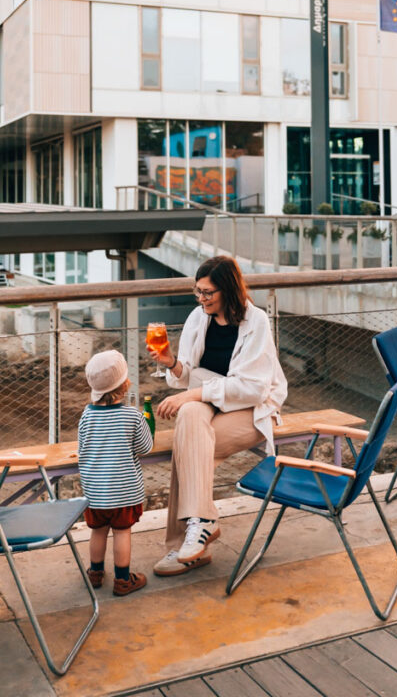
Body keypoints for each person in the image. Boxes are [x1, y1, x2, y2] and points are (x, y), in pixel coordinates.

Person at [149, 255, 288, 577]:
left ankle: (181, 543)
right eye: (197, 292)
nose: (201, 299)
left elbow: (252, 389)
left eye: (208, 292)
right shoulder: (198, 318)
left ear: (228, 289)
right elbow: (191, 375)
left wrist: (190, 394)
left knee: (189, 445)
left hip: (252, 409)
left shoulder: (257, 322)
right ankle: (202, 523)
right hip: (211, 400)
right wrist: (171, 363)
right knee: (190, 420)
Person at [78, 350, 153, 596]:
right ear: (124, 384)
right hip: (124, 492)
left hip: (95, 492)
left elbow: (82, 448)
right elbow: (145, 447)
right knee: (122, 532)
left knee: (98, 531)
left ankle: (96, 573)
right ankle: (123, 580)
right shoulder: (132, 415)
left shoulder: (86, 416)